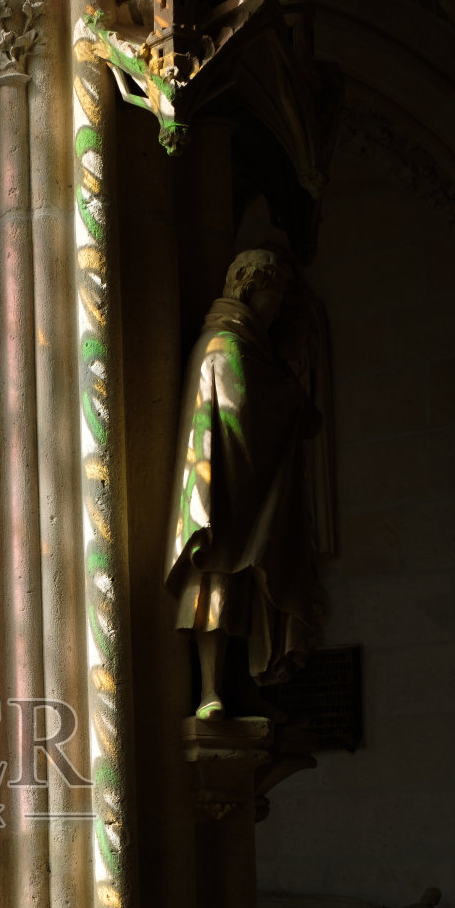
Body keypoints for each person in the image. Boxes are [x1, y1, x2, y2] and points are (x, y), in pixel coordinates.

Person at [166, 247, 321, 719]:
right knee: (213, 592)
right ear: (250, 289)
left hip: (248, 495)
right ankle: (210, 689)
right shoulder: (223, 343)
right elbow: (243, 411)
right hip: (221, 493)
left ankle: (239, 687)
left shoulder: (252, 347)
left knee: (248, 597)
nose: (276, 311)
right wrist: (291, 400)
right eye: (274, 298)